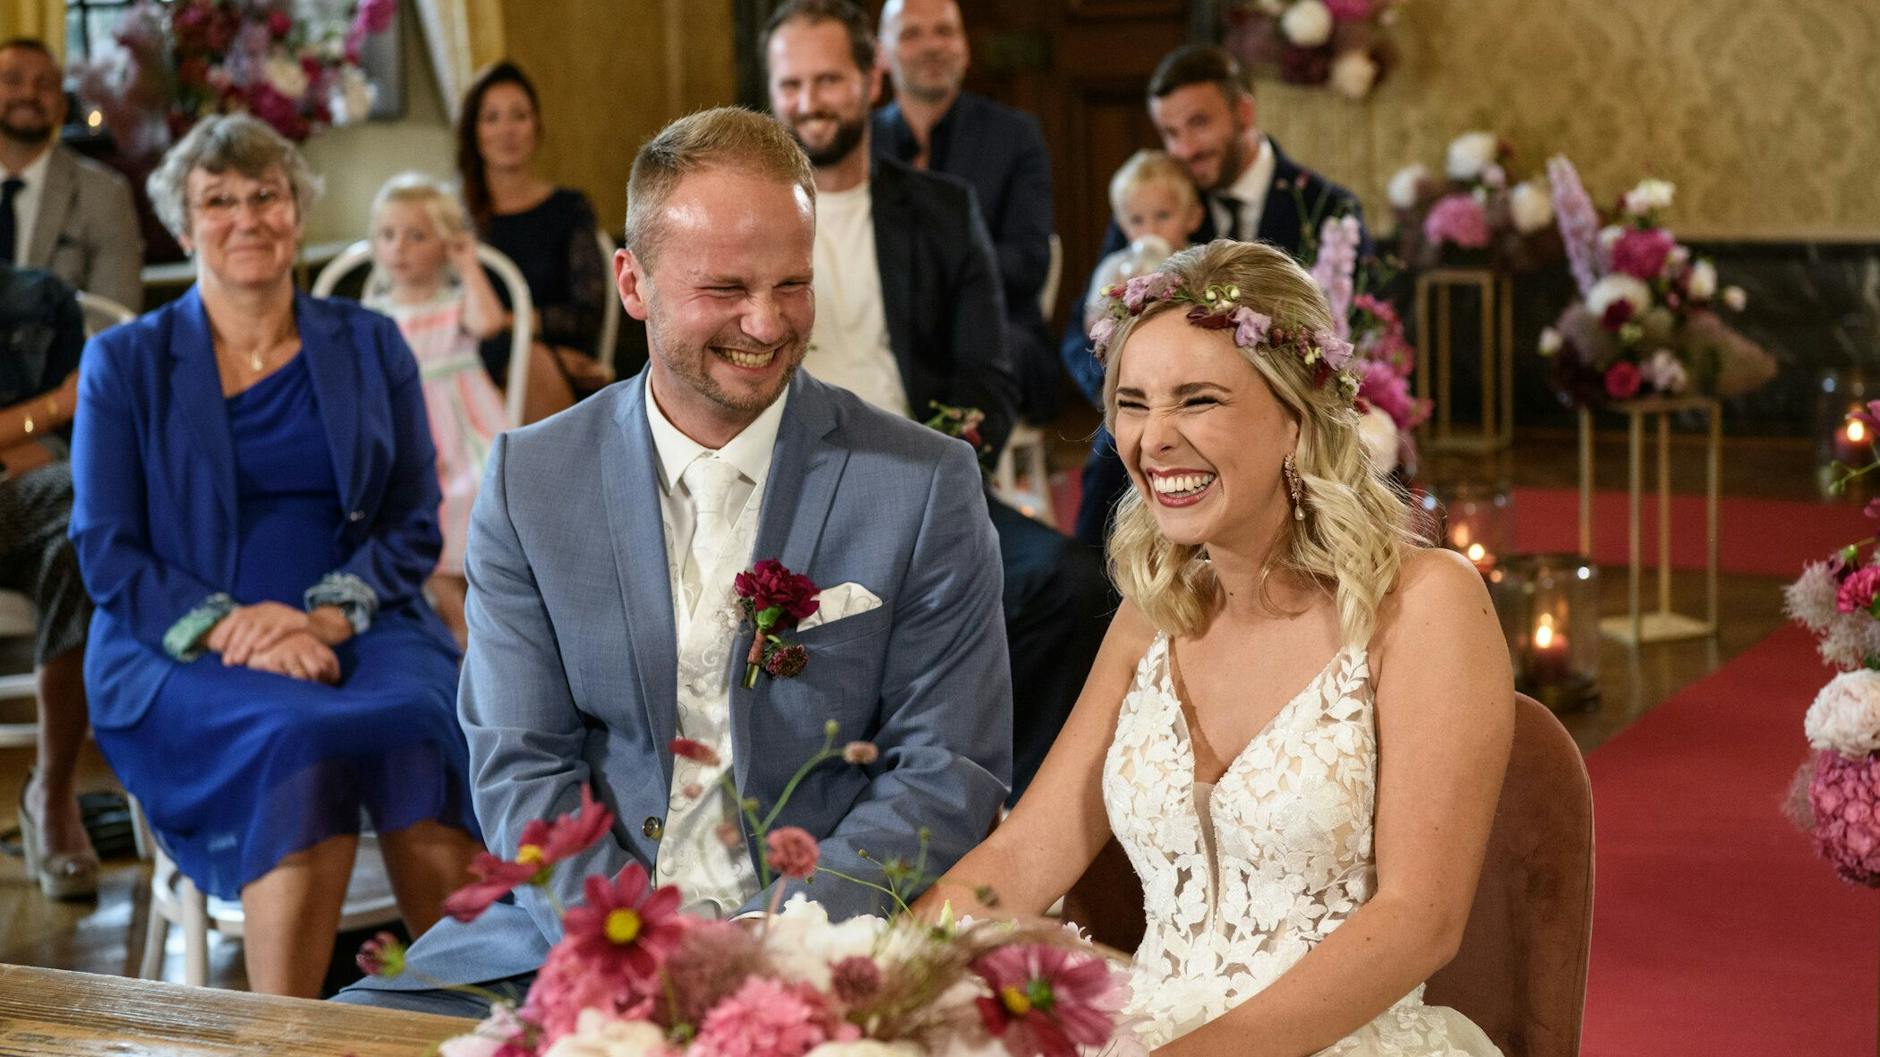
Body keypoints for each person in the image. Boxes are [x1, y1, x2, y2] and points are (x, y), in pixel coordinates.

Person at [336, 106, 1011, 1017]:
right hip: (570, 939)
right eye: (726, 288)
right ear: (634, 282)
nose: (767, 324)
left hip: (828, 945)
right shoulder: (533, 480)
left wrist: (780, 943)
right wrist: (640, 950)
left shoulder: (923, 483)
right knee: (343, 1035)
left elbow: (948, 766)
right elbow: (520, 763)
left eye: (792, 284)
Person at [918, 240, 1513, 1057]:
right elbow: (1025, 853)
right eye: (1132, 402)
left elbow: (1420, 921)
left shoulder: (1425, 602)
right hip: (1142, 1023)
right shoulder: (1149, 616)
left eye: (1197, 400)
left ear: (1295, 420)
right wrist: (869, 975)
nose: (1151, 440)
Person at [68, 115, 484, 998]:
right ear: (183, 228)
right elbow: (106, 549)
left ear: (298, 211)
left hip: (363, 616)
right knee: (300, 734)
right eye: (217, 200)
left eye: (267, 195)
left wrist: (329, 614)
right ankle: (281, 1036)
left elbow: (413, 515)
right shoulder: (123, 362)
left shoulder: (371, 343)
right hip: (176, 643)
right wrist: (235, 629)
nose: (246, 216)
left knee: (420, 717)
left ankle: (484, 1023)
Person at [768, 0, 1106, 801]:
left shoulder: (942, 210)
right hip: (785, 500)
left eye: (828, 79)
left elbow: (986, 375)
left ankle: (1008, 808)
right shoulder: (750, 224)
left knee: (1074, 586)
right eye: (790, 84)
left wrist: (928, 479)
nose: (809, 101)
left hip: (922, 481)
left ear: (870, 79)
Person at [1061, 44, 1370, 547]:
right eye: (1169, 133)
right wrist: (1127, 390)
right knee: (1113, 459)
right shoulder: (1159, 203)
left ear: (1243, 112)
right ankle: (1099, 598)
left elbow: (1359, 333)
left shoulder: (1323, 208)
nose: (1183, 148)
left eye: (1198, 124)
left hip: (1281, 421)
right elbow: (1088, 326)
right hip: (1163, 419)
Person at [873, 0, 1057, 421]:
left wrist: (932, 285)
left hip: (995, 326)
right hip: (885, 325)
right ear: (880, 54)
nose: (932, 46)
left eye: (945, 31)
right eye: (911, 33)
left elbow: (1030, 261)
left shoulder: (1015, 136)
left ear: (965, 47)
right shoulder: (862, 143)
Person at [362, 172, 512, 647]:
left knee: (484, 494)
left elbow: (490, 322)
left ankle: (490, 626)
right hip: (410, 434)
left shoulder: (455, 303)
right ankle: (458, 628)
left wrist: (467, 265)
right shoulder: (376, 314)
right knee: (417, 510)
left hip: (466, 431)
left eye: (416, 235)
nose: (398, 247)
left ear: (444, 243)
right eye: (387, 235)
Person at [0, 261, 96, 900]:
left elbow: (89, 406)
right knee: (93, 498)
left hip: (40, 505)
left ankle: (53, 789)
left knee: (84, 540)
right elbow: (63, 407)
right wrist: (46, 411)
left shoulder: (40, 294)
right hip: (36, 488)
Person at [456, 61, 612, 421]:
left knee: (531, 361)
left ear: (537, 126)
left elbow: (586, 314)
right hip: (473, 365)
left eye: (519, 116)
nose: (506, 130)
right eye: (491, 118)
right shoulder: (454, 219)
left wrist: (513, 328)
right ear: (473, 131)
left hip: (552, 367)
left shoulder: (568, 208)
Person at [0, 38, 143, 311]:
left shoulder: (104, 193)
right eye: (13, 80)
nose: (28, 94)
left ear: (62, 106)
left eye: (45, 85)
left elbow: (116, 316)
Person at [1073, 149, 1203, 376]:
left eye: (1163, 216)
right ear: (1122, 226)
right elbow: (1091, 327)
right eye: (1137, 220)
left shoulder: (1201, 261)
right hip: (1133, 367)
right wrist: (1115, 303)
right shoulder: (1114, 267)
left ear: (1193, 217)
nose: (1150, 230)